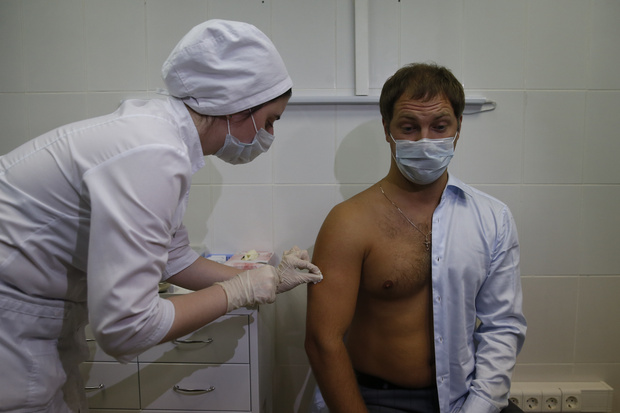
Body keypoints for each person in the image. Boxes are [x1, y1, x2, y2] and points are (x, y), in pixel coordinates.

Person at [0, 19, 322, 413]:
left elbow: (174, 258)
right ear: (238, 107)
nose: (269, 135)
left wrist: (266, 279)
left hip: (34, 315)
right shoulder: (153, 152)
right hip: (11, 319)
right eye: (269, 120)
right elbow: (127, 329)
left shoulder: (161, 136)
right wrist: (238, 292)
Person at [305, 62, 526, 413]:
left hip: (466, 396)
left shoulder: (492, 219)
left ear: (458, 127)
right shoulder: (348, 222)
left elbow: (502, 326)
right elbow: (322, 341)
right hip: (377, 400)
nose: (425, 140)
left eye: (440, 126)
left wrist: (479, 405)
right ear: (387, 129)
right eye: (409, 127)